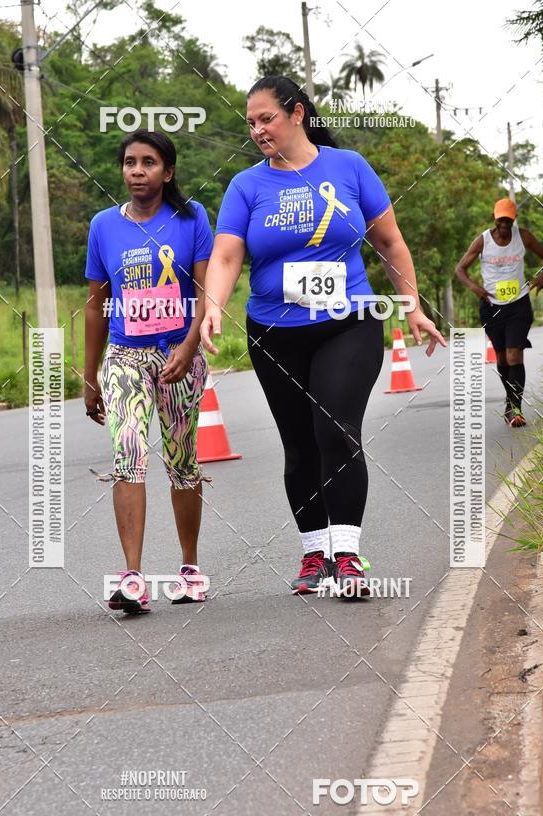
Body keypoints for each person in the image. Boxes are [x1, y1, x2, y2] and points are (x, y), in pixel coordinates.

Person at [200, 75, 444, 598]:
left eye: (266, 118)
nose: (258, 130)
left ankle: (348, 555)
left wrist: (413, 307)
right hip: (274, 332)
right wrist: (213, 308)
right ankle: (315, 553)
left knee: (335, 429)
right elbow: (225, 255)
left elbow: (389, 242)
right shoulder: (247, 185)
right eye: (251, 123)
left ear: (297, 113)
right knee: (300, 446)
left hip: (348, 321)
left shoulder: (349, 167)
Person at [84, 129, 213, 613]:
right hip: (125, 356)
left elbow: (206, 292)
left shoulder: (191, 217)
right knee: (128, 450)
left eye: (149, 162)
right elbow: (96, 306)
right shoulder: (103, 225)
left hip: (178, 357)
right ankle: (132, 576)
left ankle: (189, 568)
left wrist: (190, 342)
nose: (137, 171)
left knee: (181, 461)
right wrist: (89, 374)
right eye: (130, 162)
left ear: (168, 171)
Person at [455, 198, 543, 427]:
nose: (504, 223)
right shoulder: (483, 241)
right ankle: (510, 402)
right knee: (501, 359)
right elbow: (460, 269)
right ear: (494, 218)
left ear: (513, 218)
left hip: (518, 305)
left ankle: (516, 409)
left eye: (508, 218)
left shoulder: (524, 236)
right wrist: (475, 287)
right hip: (491, 308)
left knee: (514, 355)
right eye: (501, 219)